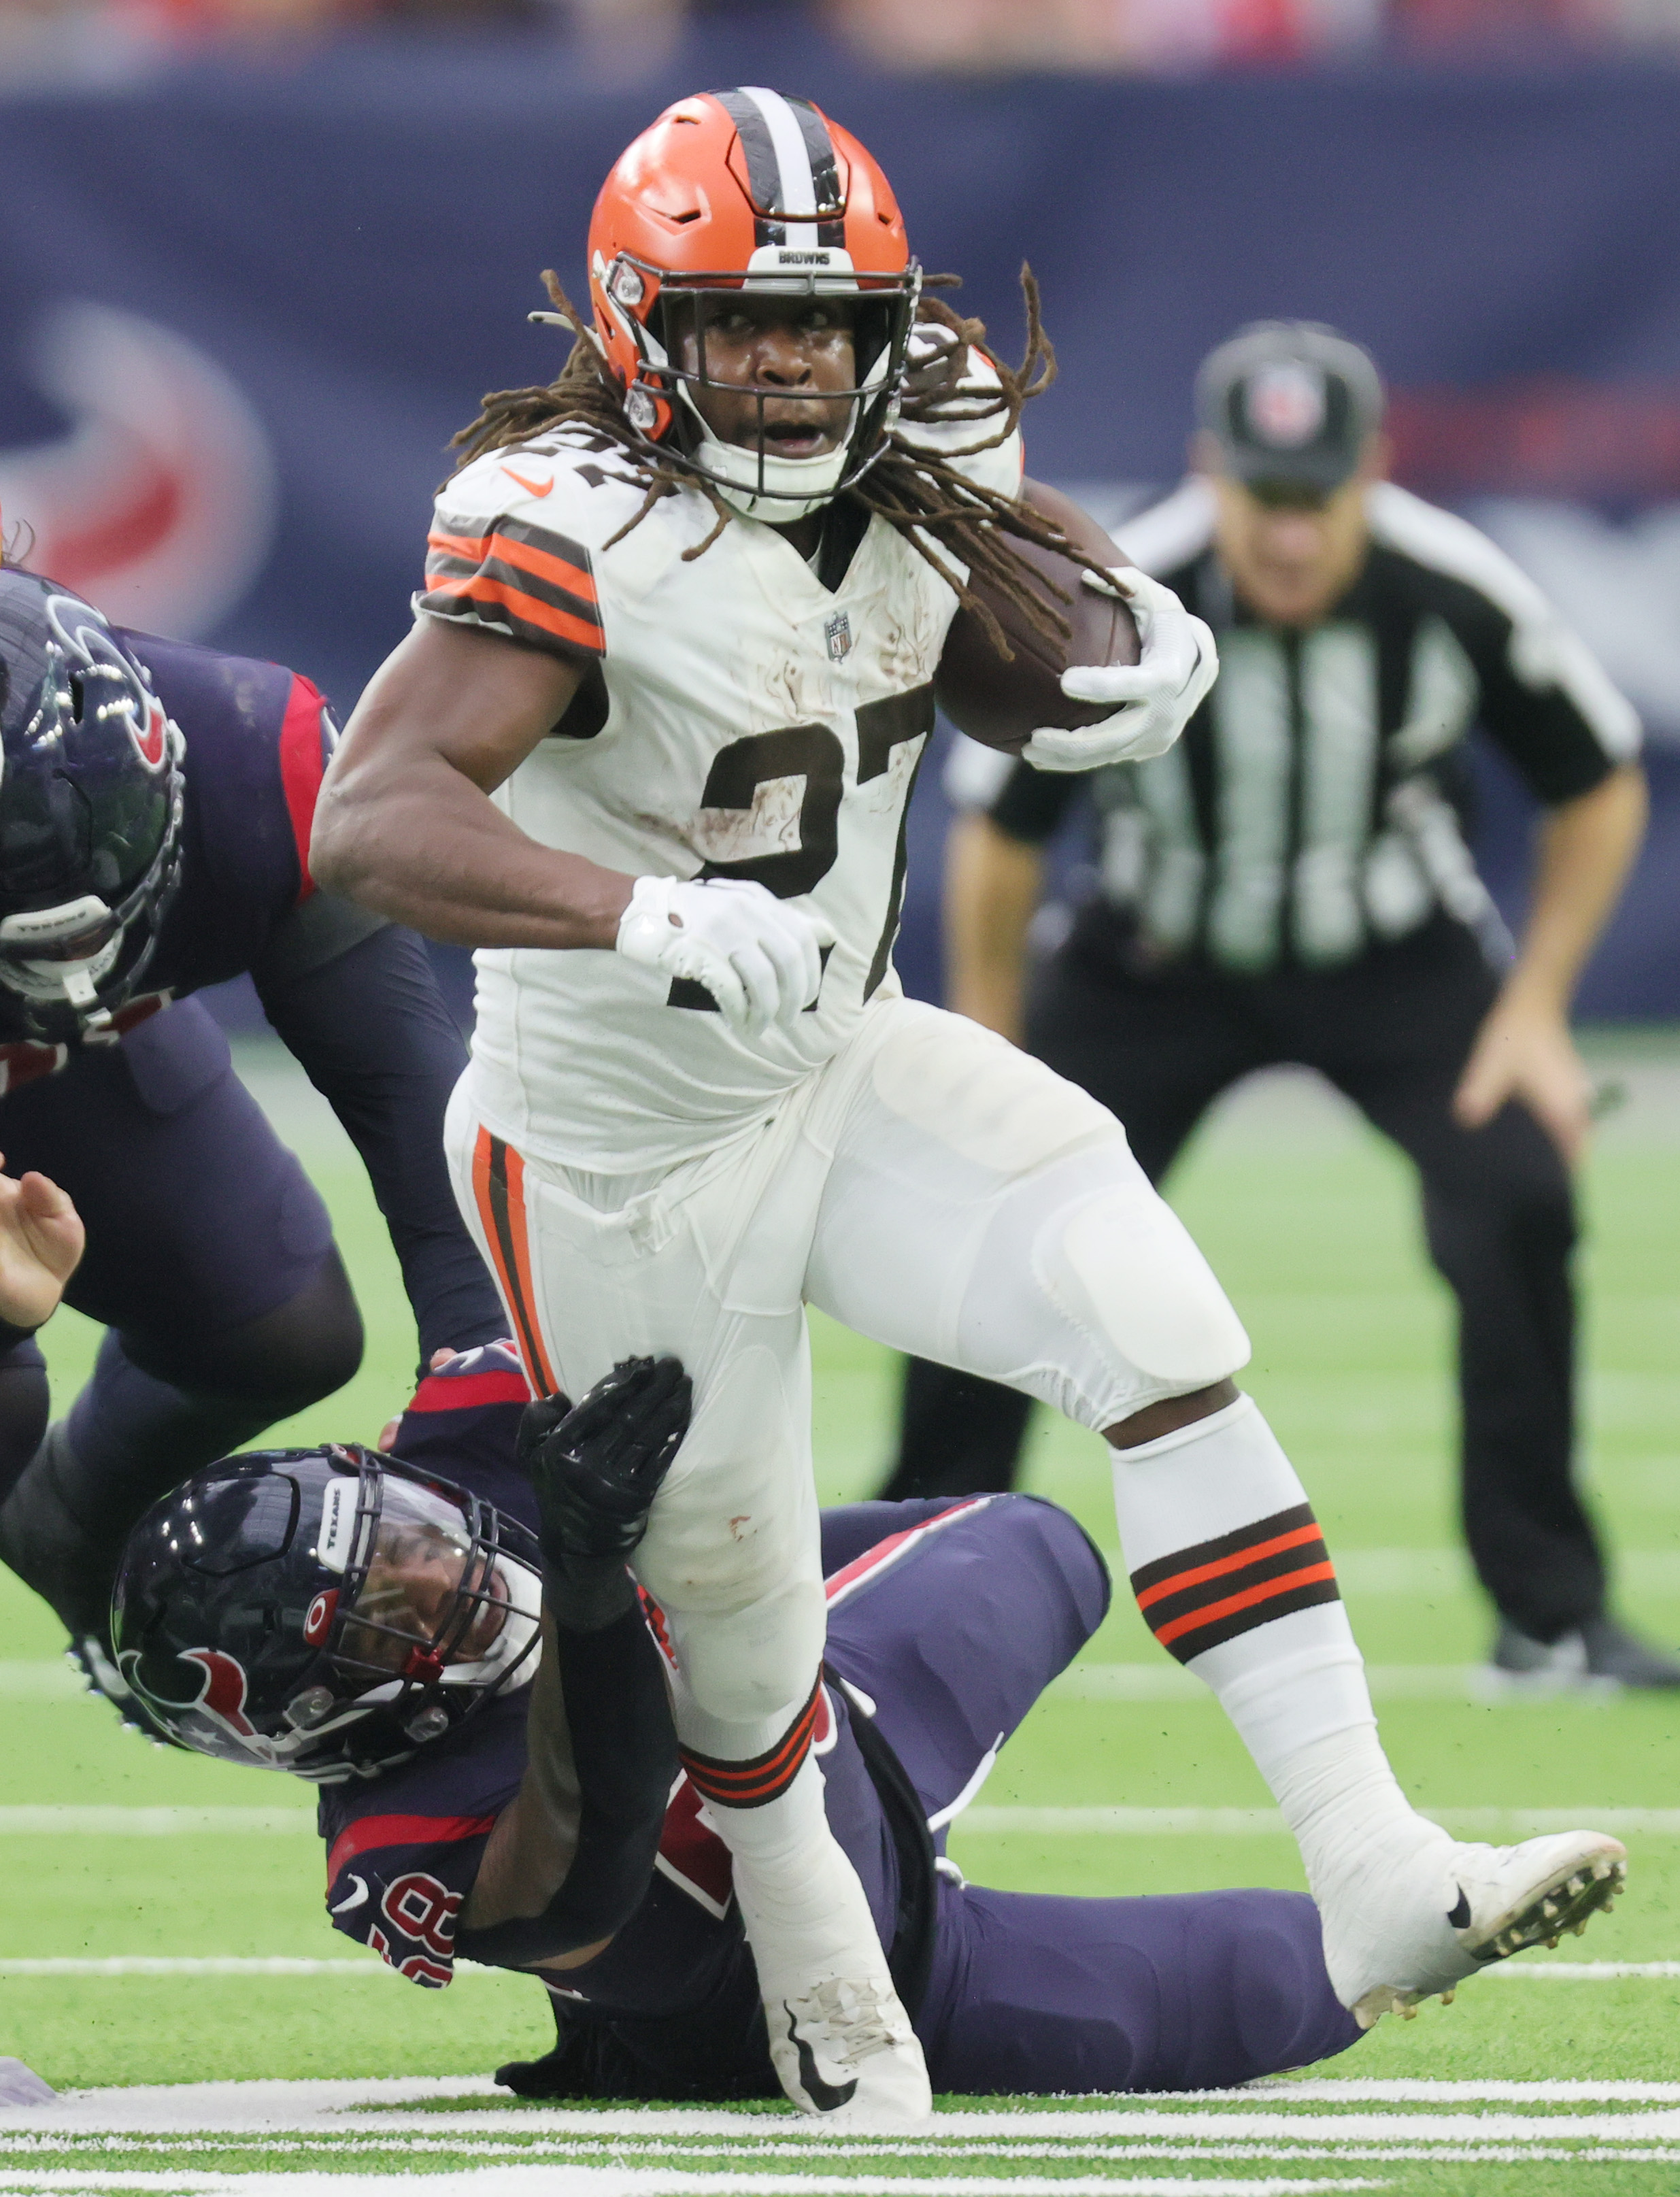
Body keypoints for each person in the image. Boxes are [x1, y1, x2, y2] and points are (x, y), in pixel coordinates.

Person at [308, 93, 1624, 2121]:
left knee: (1153, 1319)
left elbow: (1002, 627)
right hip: (608, 1151)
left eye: (827, 323)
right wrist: (627, 902)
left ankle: (1370, 1866)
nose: (792, 361)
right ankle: (820, 1964)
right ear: (642, 323)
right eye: (742, 321)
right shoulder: (564, 513)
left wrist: (1127, 635)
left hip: (837, 1051)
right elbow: (369, 816)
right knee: (736, 1630)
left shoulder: (921, 425)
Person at [886, 319, 1665, 1696]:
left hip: (1392, 951)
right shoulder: (1126, 587)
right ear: (1209, 474)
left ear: (1369, 474)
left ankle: (1547, 1615)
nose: (1291, 540)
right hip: (1152, 949)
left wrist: (1534, 1009)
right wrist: (991, 1036)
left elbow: (1596, 780)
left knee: (1516, 1195)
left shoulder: (1446, 587)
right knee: (993, 1216)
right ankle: (901, 1571)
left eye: (1317, 503)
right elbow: (1001, 830)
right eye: (1263, 500)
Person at [112, 1336, 1371, 2102]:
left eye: (398, 1528)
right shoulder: (394, 1849)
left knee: (1041, 1544)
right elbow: (594, 1855)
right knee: (1322, 1971)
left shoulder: (459, 1440)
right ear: (328, 1716)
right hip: (862, 1981)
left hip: (841, 1704)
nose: (441, 1566)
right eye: (388, 1602)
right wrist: (595, 1576)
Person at [0, 565, 507, 1701]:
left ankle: (61, 1531)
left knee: (276, 1325)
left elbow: (413, 1114)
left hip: (57, 1063)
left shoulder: (257, 759)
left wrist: (487, 1409)